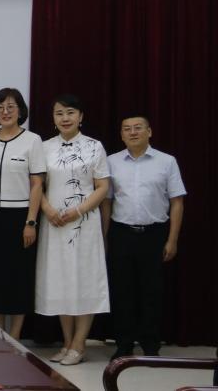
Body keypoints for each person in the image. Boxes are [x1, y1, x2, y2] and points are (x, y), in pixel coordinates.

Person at [102, 114, 186, 359]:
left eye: (138, 127)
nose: (133, 132)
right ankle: (124, 344)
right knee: (122, 291)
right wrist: (104, 237)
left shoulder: (167, 161)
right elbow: (106, 203)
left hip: (154, 234)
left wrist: (172, 240)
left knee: (152, 291)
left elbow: (177, 202)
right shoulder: (111, 162)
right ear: (121, 135)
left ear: (149, 132)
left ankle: (150, 345)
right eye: (127, 129)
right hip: (121, 233)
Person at [35, 94, 110, 366]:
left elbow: (102, 186)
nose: (65, 118)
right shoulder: (43, 147)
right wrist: (47, 210)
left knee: (84, 278)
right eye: (59, 113)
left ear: (80, 116)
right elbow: (37, 185)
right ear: (53, 118)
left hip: (83, 223)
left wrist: (78, 210)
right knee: (60, 280)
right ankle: (67, 342)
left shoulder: (94, 146)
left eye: (70, 112)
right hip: (54, 223)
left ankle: (80, 343)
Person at [0, 88, 45, 340]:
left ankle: (14, 337)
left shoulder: (32, 140)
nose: (5, 112)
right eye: (0, 107)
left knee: (18, 276)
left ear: (20, 111)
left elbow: (37, 184)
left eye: (11, 107)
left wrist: (31, 221)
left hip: (20, 216)